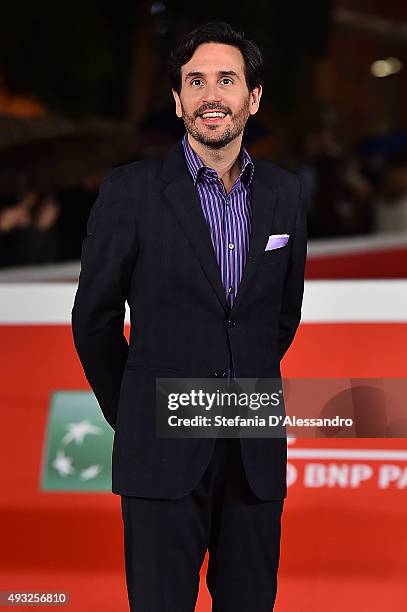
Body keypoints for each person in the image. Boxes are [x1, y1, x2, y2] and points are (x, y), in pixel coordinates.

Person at [71, 21, 307, 611]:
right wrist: (138, 410)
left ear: (252, 98)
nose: (211, 95)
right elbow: (93, 322)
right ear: (177, 100)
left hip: (252, 449)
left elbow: (281, 318)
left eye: (227, 80)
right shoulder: (131, 191)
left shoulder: (284, 194)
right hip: (161, 450)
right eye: (195, 82)